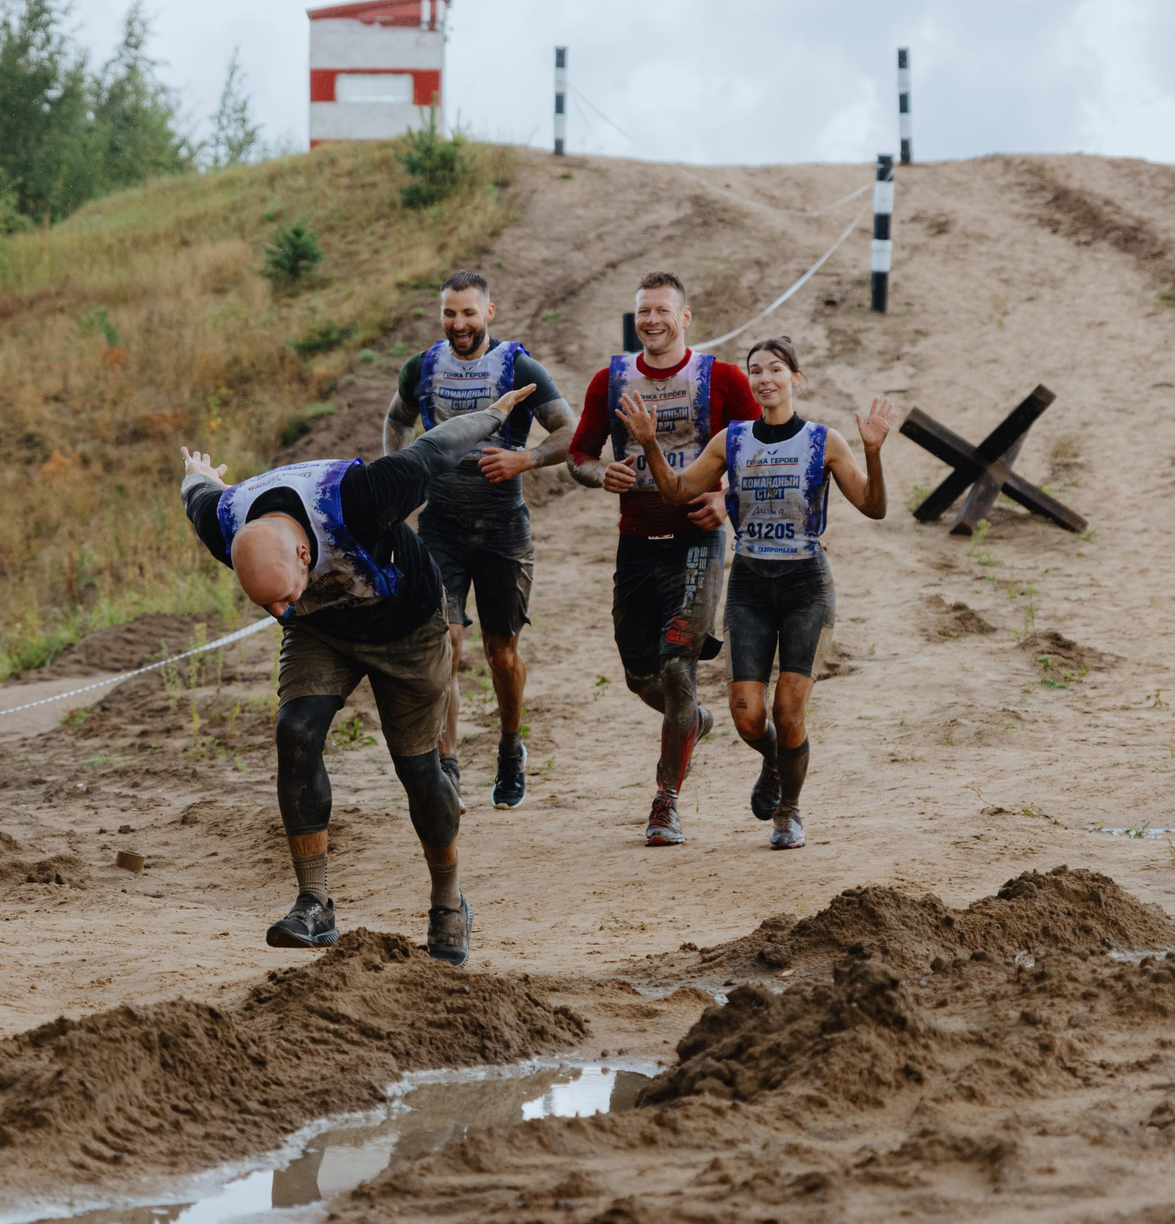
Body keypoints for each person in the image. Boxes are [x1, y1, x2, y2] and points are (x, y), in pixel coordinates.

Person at [180, 381, 538, 966]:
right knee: (296, 731)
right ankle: (313, 903)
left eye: (282, 597)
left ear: (302, 556)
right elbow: (196, 491)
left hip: (408, 626)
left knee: (419, 772)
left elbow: (434, 449)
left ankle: (448, 901)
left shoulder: (358, 496)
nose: (278, 612)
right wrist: (198, 473)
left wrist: (492, 415)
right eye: (266, 607)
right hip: (325, 631)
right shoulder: (224, 525)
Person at [616, 334, 895, 848]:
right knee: (748, 718)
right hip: (748, 584)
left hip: (806, 584)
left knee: (790, 712)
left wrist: (873, 453)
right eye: (756, 371)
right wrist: (651, 443)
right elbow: (679, 491)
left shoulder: (823, 440)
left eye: (775, 369)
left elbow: (874, 507)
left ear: (795, 378)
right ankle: (774, 760)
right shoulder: (732, 439)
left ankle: (789, 810)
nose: (765, 379)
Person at [567, 273, 760, 845]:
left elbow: (763, 449)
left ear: (686, 317)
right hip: (635, 542)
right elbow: (579, 452)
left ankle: (664, 803)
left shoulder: (722, 379)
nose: (652, 321)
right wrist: (602, 472)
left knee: (679, 666)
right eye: (643, 312)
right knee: (638, 675)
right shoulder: (610, 380)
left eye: (662, 311)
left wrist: (726, 498)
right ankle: (693, 723)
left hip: (697, 540)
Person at [380, 270, 572, 811]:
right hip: (439, 524)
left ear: (489, 313)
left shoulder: (518, 366)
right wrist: (396, 473)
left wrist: (526, 458)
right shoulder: (421, 367)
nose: (458, 323)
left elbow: (568, 430)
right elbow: (396, 420)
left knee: (500, 652)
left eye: (468, 313)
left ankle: (511, 747)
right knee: (445, 641)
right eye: (449, 313)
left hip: (503, 527)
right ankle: (447, 766)